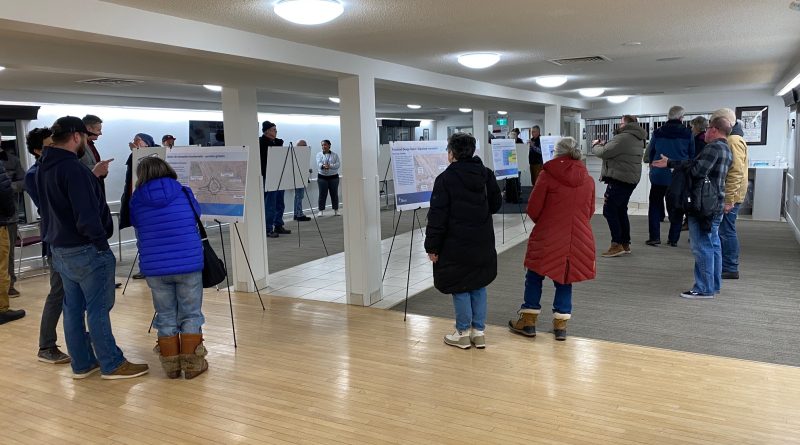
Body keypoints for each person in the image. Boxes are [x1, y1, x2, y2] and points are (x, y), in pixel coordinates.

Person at [36, 116, 148, 378]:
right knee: (98, 309)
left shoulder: (43, 168)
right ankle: (112, 363)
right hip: (86, 249)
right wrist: (99, 243)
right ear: (77, 136)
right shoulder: (73, 169)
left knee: (73, 310)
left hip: (59, 249)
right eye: (87, 137)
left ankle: (82, 363)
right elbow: (86, 214)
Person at [508, 137, 595, 341]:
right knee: (565, 278)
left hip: (547, 235)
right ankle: (560, 325)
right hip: (577, 237)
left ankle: (528, 321)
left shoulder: (547, 175)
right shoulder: (588, 179)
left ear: (557, 152)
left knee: (534, 275)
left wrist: (547, 221)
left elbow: (533, 209)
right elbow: (589, 211)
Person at [130, 157, 207, 379]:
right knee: (191, 313)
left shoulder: (136, 199)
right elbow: (197, 215)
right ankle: (192, 366)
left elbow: (137, 224)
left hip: (155, 267)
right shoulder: (184, 192)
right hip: (188, 262)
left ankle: (171, 367)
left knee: (165, 314)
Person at [425, 133, 502, 349]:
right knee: (478, 284)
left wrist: (432, 246)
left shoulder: (445, 179)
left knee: (460, 286)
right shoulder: (486, 174)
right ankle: (478, 332)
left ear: (451, 154)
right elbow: (496, 204)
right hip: (482, 240)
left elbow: (437, 217)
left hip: (454, 244)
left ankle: (462, 333)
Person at [652, 116, 733, 298]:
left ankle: (704, 288)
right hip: (715, 204)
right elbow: (697, 166)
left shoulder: (712, 148)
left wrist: (673, 164)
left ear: (714, 129)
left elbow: (697, 171)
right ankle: (713, 285)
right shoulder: (726, 149)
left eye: (708, 128)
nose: (705, 132)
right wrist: (672, 162)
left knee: (701, 246)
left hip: (703, 205)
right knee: (713, 245)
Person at [24, 127, 70, 363]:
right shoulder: (35, 174)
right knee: (58, 292)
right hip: (56, 239)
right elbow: (51, 206)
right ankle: (46, 345)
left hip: (66, 238)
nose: (55, 149)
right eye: (50, 146)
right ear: (37, 150)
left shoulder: (54, 169)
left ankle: (81, 337)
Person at [591, 115, 646, 257]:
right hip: (629, 178)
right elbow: (616, 150)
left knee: (609, 210)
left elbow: (604, 152)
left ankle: (616, 244)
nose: (619, 125)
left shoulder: (623, 137)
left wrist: (595, 145)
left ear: (626, 124)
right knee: (621, 210)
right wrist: (606, 144)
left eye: (621, 123)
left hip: (620, 178)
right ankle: (625, 243)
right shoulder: (637, 137)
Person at [643, 106, 695, 247]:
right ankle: (673, 239)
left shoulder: (658, 132)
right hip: (679, 174)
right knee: (677, 206)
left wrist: (652, 164)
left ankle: (654, 237)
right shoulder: (687, 133)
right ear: (681, 118)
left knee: (655, 204)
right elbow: (692, 154)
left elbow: (651, 150)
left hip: (659, 174)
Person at [711, 109, 749, 280]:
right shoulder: (735, 138)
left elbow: (735, 172)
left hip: (731, 195)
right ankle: (727, 265)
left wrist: (729, 199)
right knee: (725, 230)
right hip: (731, 193)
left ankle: (730, 267)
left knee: (726, 231)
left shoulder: (733, 140)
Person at [121, 133, 157, 279]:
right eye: (134, 140)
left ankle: (154, 267)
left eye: (138, 140)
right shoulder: (133, 157)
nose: (134, 142)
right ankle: (145, 268)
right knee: (141, 239)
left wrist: (138, 152)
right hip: (137, 204)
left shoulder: (156, 157)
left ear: (147, 143)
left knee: (152, 239)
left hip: (151, 206)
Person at [0, 147, 24, 325]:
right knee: (2, 265)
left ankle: (10, 288)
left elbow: (22, 182)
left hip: (6, 218)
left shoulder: (12, 160)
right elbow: (4, 191)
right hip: (2, 219)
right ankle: (2, 309)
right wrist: (8, 212)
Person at [259, 121, 290, 237]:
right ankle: (268, 228)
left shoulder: (277, 142)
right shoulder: (261, 142)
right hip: (268, 176)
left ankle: (278, 225)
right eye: (274, 130)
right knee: (270, 204)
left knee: (280, 203)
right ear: (267, 131)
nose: (276, 131)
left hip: (279, 176)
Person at [316, 139, 341, 216]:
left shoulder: (335, 155)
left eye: (325, 145)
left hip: (334, 178)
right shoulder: (319, 154)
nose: (323, 146)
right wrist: (323, 166)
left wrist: (330, 166)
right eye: (322, 145)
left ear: (329, 145)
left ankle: (336, 210)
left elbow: (338, 164)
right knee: (322, 194)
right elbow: (319, 163)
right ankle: (321, 210)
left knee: (334, 194)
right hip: (322, 177)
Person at [292, 140, 311, 221]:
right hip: (298, 179)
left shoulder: (300, 155)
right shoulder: (296, 155)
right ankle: (299, 214)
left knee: (298, 197)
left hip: (300, 178)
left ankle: (296, 214)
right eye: (304, 146)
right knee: (299, 196)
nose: (305, 147)